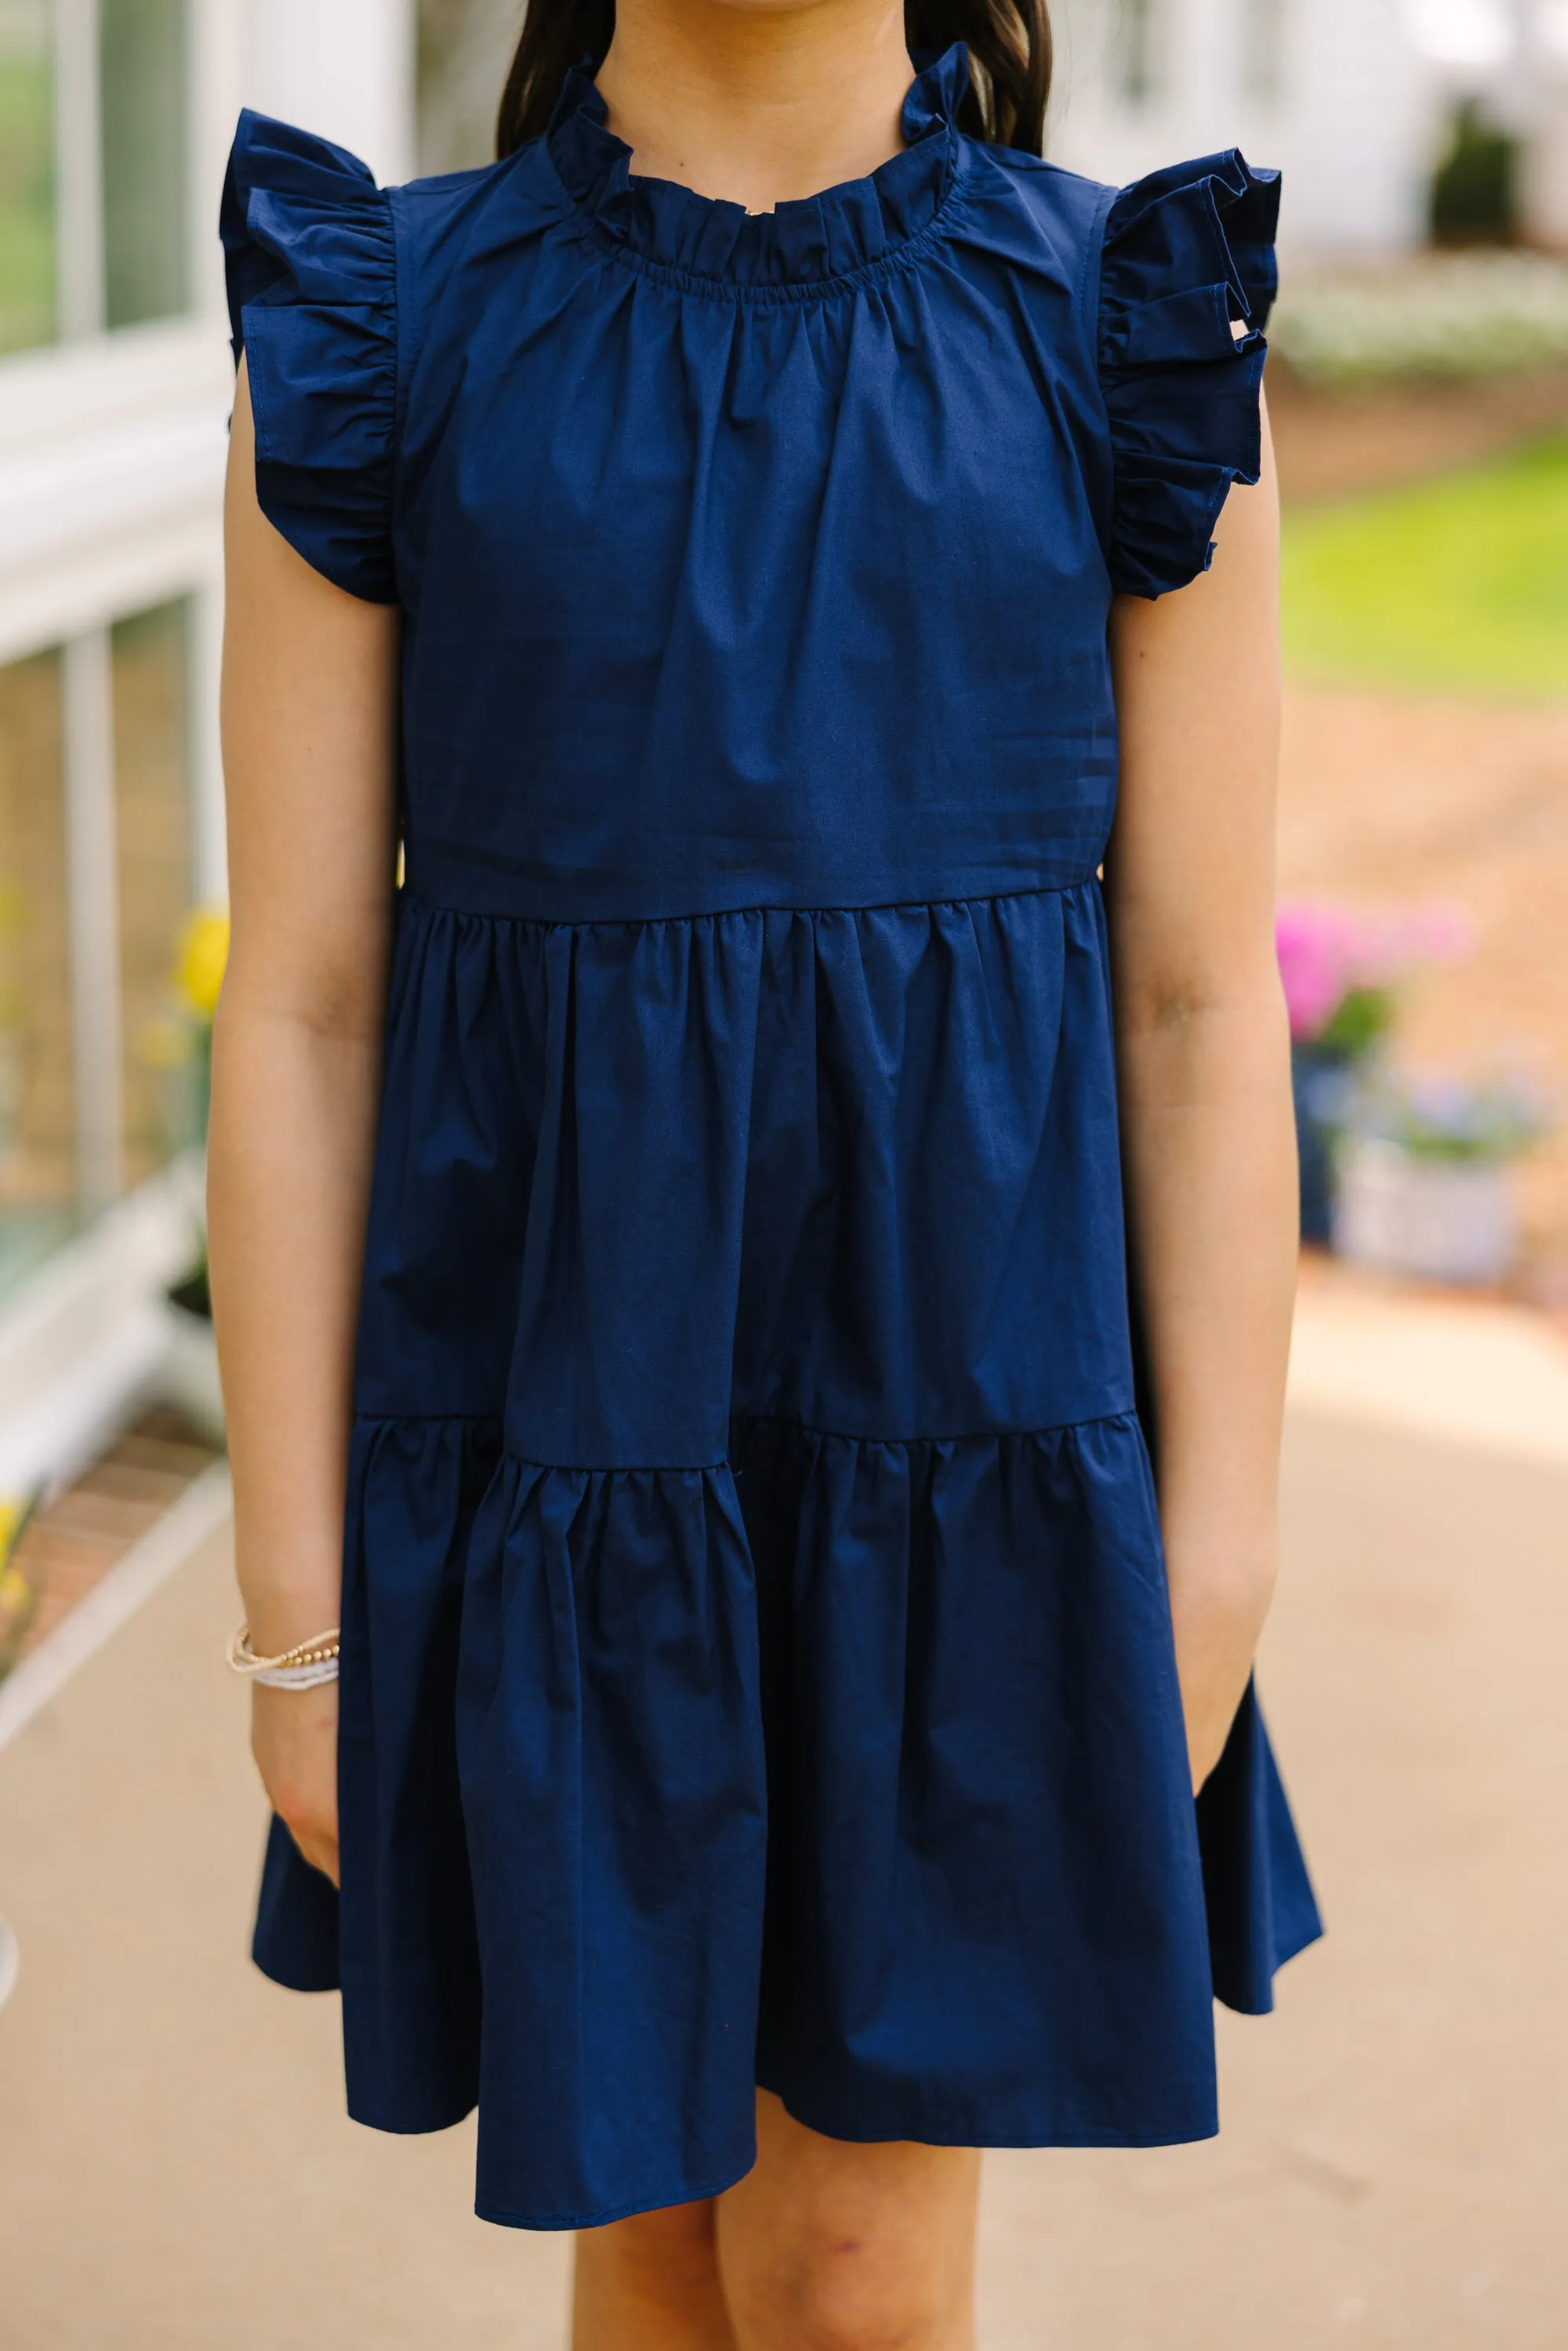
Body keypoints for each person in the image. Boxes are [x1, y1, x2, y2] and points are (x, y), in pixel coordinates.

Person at [211, 0, 1321, 2342]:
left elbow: (1202, 1004)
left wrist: (1214, 1553)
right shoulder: (388, 328)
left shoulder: (1121, 323)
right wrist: (295, 1616)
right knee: (651, 2226)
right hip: (571, 1463)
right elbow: (306, 1014)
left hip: (968, 1460)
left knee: (849, 2278)